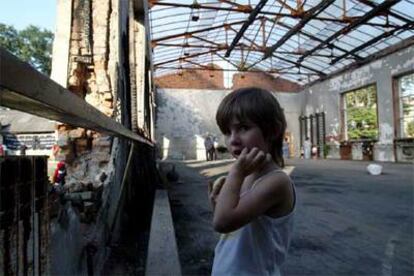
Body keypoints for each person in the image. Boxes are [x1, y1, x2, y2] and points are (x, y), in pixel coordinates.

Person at [207, 87, 296, 276]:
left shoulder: (276, 182)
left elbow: (222, 222)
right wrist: (217, 202)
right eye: (227, 131)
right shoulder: (246, 175)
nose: (233, 140)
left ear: (273, 130)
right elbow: (230, 228)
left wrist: (235, 173)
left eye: (243, 128)